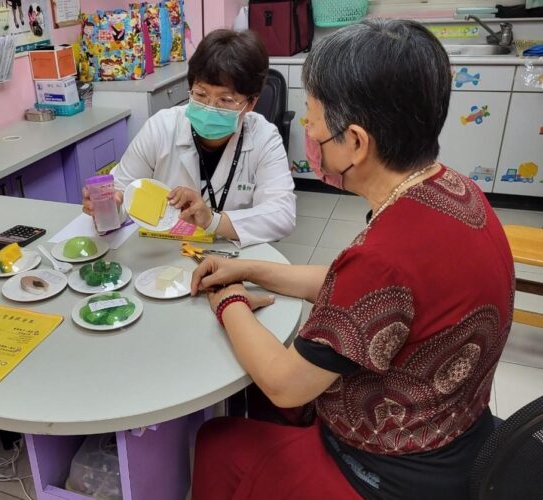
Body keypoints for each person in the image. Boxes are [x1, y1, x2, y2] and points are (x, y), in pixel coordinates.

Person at [190, 19, 514, 499]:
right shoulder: (456, 190)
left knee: (219, 439)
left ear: (356, 143)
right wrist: (252, 268)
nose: (308, 133)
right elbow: (364, 290)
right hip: (458, 433)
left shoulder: (383, 258)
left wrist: (229, 298)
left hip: (390, 472)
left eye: (314, 126)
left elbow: (285, 385)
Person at [82, 29, 296, 248]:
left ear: (251, 103)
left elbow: (282, 215)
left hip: (230, 252)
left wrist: (213, 221)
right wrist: (107, 207)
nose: (210, 107)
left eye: (226, 100)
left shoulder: (264, 138)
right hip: (165, 252)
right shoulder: (161, 128)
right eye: (201, 94)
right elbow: (123, 193)